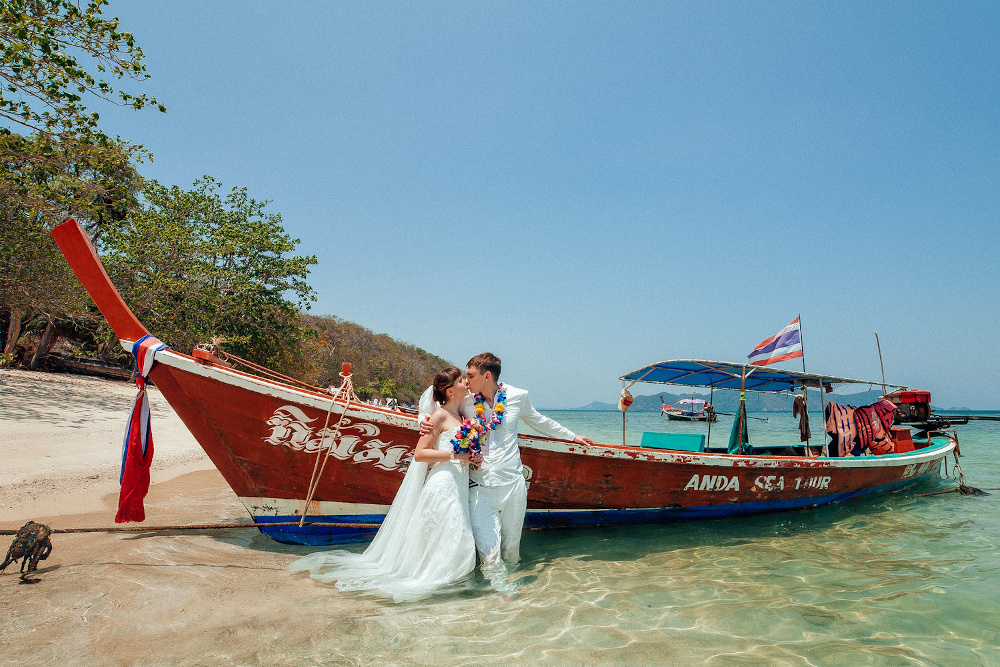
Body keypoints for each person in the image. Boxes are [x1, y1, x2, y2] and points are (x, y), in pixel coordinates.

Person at [288, 367, 479, 601]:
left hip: (457, 481)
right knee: (453, 532)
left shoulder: (460, 415)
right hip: (444, 481)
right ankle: (438, 583)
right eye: (461, 381)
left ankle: (445, 581)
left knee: (447, 533)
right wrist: (455, 457)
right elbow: (420, 454)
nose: (465, 384)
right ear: (450, 391)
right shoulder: (439, 416)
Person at [422, 353, 594, 580]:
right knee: (490, 557)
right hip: (480, 488)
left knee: (512, 553)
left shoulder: (518, 396)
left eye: (471, 376)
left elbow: (539, 421)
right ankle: (502, 597)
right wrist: (424, 423)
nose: (466, 380)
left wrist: (572, 436)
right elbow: (443, 409)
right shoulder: (466, 401)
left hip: (513, 485)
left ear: (486, 376)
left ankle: (514, 601)